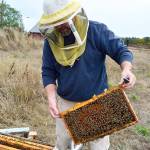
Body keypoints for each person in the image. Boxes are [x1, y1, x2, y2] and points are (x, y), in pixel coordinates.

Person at [38, 0, 136, 149]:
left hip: (97, 102)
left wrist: (126, 70)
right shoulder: (51, 41)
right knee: (63, 144)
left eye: (63, 21)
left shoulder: (97, 31)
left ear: (75, 14)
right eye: (55, 22)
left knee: (98, 146)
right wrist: (51, 99)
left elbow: (121, 51)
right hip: (66, 103)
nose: (59, 26)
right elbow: (48, 71)